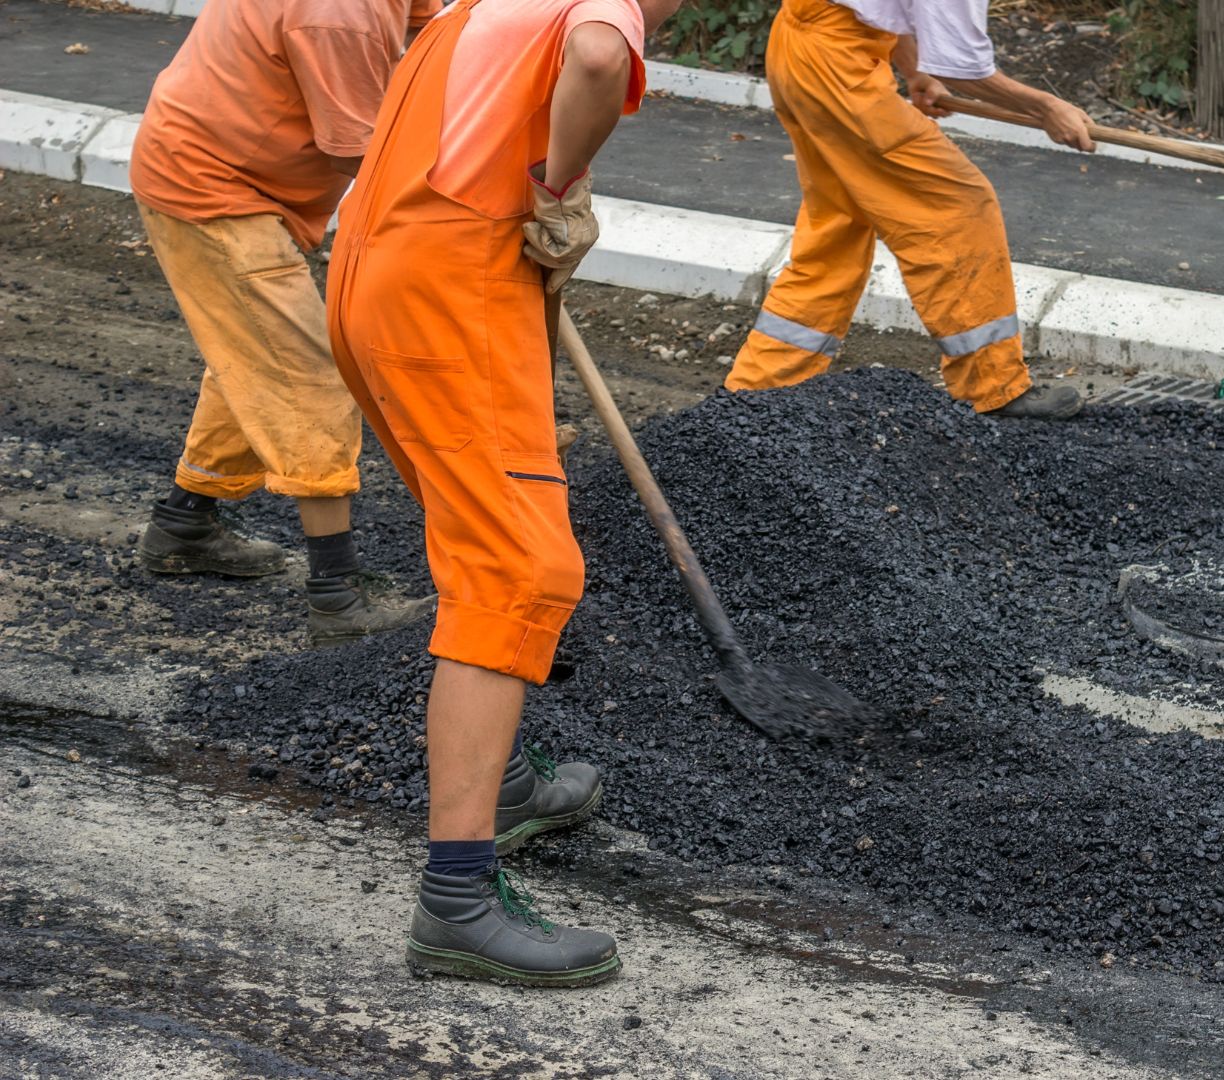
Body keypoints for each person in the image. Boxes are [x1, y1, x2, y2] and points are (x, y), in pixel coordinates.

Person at [327, 0, 678, 986]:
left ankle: (511, 788)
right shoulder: (598, 8)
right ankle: (457, 902)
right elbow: (603, 57)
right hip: (449, 291)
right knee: (519, 570)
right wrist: (557, 189)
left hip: (373, 272)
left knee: (475, 533)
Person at [128, 0, 441, 645]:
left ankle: (184, 526)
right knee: (309, 375)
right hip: (212, 188)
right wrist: (484, 208)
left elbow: (433, 36)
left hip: (252, 180)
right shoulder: (337, 13)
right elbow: (367, 157)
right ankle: (337, 598)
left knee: (257, 353)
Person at [726, 0, 1096, 419]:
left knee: (839, 226)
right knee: (957, 207)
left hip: (801, 46)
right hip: (837, 67)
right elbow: (963, 68)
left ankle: (758, 393)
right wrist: (1047, 108)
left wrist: (916, 71)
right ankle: (993, 385)